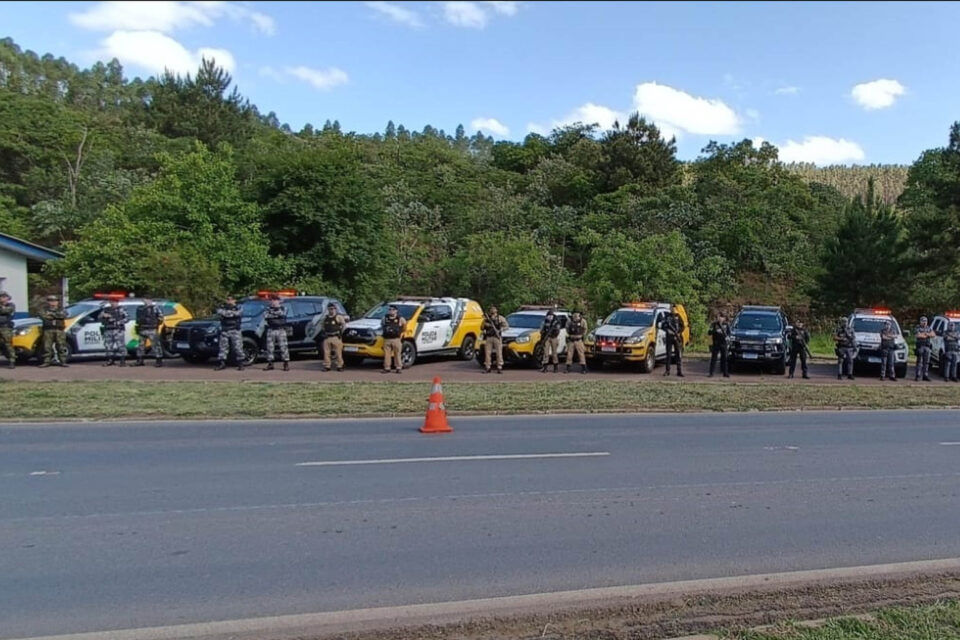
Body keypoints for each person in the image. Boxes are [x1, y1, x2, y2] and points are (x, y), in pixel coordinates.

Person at [214, 295, 244, 371]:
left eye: (231, 299)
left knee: (238, 347)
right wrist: (228, 313)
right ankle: (222, 363)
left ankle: (240, 364)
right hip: (225, 330)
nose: (229, 301)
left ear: (234, 300)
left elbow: (237, 314)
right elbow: (219, 312)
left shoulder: (239, 307)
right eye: (228, 299)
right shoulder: (223, 307)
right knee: (223, 348)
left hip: (235, 330)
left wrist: (227, 313)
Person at [38, 295, 68, 368]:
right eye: (51, 301)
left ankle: (63, 361)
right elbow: (43, 316)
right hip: (48, 330)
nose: (53, 303)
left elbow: (64, 315)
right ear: (48, 302)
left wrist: (52, 315)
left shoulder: (61, 309)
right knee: (47, 347)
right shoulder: (44, 309)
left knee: (61, 346)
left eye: (55, 301)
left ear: (57, 302)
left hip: (59, 330)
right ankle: (46, 361)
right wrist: (57, 316)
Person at [135, 297, 164, 367]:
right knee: (141, 345)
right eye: (144, 299)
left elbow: (161, 317)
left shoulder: (155, 308)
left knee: (155, 345)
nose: (145, 301)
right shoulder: (140, 308)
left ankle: (159, 360)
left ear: (150, 300)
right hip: (142, 329)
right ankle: (140, 360)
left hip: (152, 329)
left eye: (146, 299)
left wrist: (156, 323)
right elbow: (138, 318)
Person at [263, 295, 289, 371]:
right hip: (271, 329)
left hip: (281, 330)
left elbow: (282, 314)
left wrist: (273, 315)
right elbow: (265, 316)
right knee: (270, 348)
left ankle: (286, 363)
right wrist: (276, 315)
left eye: (274, 300)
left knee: (283, 347)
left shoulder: (284, 308)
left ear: (278, 301)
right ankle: (270, 363)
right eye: (271, 300)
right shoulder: (267, 309)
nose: (273, 302)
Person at [100, 298, 129, 367]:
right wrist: (103, 316)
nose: (113, 303)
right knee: (108, 346)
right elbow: (99, 317)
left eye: (115, 302)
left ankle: (122, 361)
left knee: (120, 345)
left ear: (117, 302)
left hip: (118, 330)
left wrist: (118, 322)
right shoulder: (106, 309)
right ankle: (110, 360)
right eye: (112, 302)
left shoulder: (121, 309)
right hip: (108, 329)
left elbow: (127, 318)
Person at [481, 305, 509, 374]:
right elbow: (482, 327)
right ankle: (487, 367)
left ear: (496, 310)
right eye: (491, 309)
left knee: (499, 353)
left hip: (497, 337)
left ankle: (499, 367)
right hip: (489, 337)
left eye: (494, 309)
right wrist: (485, 324)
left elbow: (506, 326)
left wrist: (500, 330)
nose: (492, 310)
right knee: (487, 353)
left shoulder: (500, 318)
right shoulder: (487, 318)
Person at [321, 303, 348, 372]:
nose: (331, 310)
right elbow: (322, 327)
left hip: (336, 337)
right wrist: (324, 333)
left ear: (335, 309)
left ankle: (340, 365)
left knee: (338, 353)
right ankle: (327, 366)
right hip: (327, 337)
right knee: (326, 353)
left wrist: (341, 333)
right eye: (330, 309)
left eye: (332, 309)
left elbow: (344, 325)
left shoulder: (339, 317)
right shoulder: (325, 318)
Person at [380, 304, 406, 374]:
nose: (391, 311)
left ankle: (398, 368)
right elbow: (382, 326)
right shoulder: (384, 318)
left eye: (393, 310)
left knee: (397, 353)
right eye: (390, 309)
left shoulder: (400, 319)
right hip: (387, 339)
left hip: (396, 339)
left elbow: (404, 327)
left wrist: (400, 333)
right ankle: (387, 368)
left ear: (396, 311)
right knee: (387, 354)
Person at [660, 309, 685, 377]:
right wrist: (667, 330)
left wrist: (678, 332)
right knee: (668, 354)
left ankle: (679, 371)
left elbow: (683, 326)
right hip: (669, 337)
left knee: (678, 354)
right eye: (671, 309)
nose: (673, 310)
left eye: (674, 309)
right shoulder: (667, 317)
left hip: (676, 337)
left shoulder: (678, 316)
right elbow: (663, 326)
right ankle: (667, 371)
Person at [833, 316, 857, 380]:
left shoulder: (851, 329)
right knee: (840, 361)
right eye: (843, 321)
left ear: (848, 322)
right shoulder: (839, 329)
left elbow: (853, 338)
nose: (845, 323)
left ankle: (850, 374)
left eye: (846, 322)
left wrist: (854, 346)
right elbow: (834, 337)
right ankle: (839, 374)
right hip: (841, 347)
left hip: (849, 347)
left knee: (850, 361)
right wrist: (841, 339)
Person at [707, 313, 730, 378]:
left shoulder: (726, 324)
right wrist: (715, 331)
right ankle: (711, 373)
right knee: (714, 358)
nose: (720, 318)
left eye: (722, 317)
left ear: (724, 318)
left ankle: (725, 373)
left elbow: (729, 333)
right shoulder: (714, 324)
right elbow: (709, 332)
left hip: (723, 343)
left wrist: (728, 337)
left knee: (724, 358)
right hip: (716, 343)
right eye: (719, 317)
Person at [913, 316, 935, 382]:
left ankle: (925, 375)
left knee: (926, 362)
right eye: (923, 321)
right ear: (920, 322)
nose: (924, 322)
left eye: (925, 321)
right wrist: (927, 335)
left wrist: (926, 334)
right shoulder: (917, 328)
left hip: (927, 347)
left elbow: (933, 334)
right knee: (919, 362)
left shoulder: (929, 328)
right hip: (920, 347)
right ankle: (918, 375)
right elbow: (918, 335)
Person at [0, 291, 16, 369]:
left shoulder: (11, 305)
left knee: (8, 344)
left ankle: (12, 361)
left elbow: (5, 311)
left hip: (6, 328)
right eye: (0, 297)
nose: (1, 298)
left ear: (7, 298)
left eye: (3, 297)